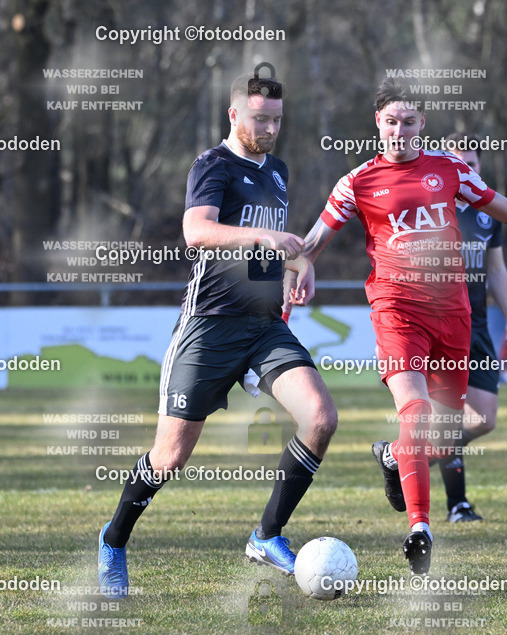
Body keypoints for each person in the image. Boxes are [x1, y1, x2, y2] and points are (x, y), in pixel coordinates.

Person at [299, 77, 507, 573]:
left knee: (443, 434)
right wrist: (296, 263)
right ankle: (421, 525)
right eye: (391, 122)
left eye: (409, 122)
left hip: (454, 316)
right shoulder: (355, 183)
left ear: (424, 124)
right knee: (415, 413)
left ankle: (394, 456)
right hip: (396, 311)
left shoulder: (450, 169)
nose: (400, 131)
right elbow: (313, 242)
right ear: (377, 123)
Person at [97, 65, 337, 599]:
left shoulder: (278, 172)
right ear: (234, 114)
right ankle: (113, 540)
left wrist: (299, 266)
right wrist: (261, 237)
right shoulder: (214, 165)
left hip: (263, 329)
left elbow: (266, 251)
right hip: (207, 328)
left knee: (320, 418)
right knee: (170, 458)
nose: (271, 127)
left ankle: (266, 535)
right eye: (259, 118)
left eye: (277, 118)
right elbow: (196, 231)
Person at [372, 132, 507, 523]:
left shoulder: (489, 214)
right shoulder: (424, 207)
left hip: (477, 326)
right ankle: (457, 505)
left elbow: (497, 269)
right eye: (462, 165)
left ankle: (400, 452)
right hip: (429, 323)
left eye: (474, 165)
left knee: (484, 419)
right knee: (439, 417)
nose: (468, 171)